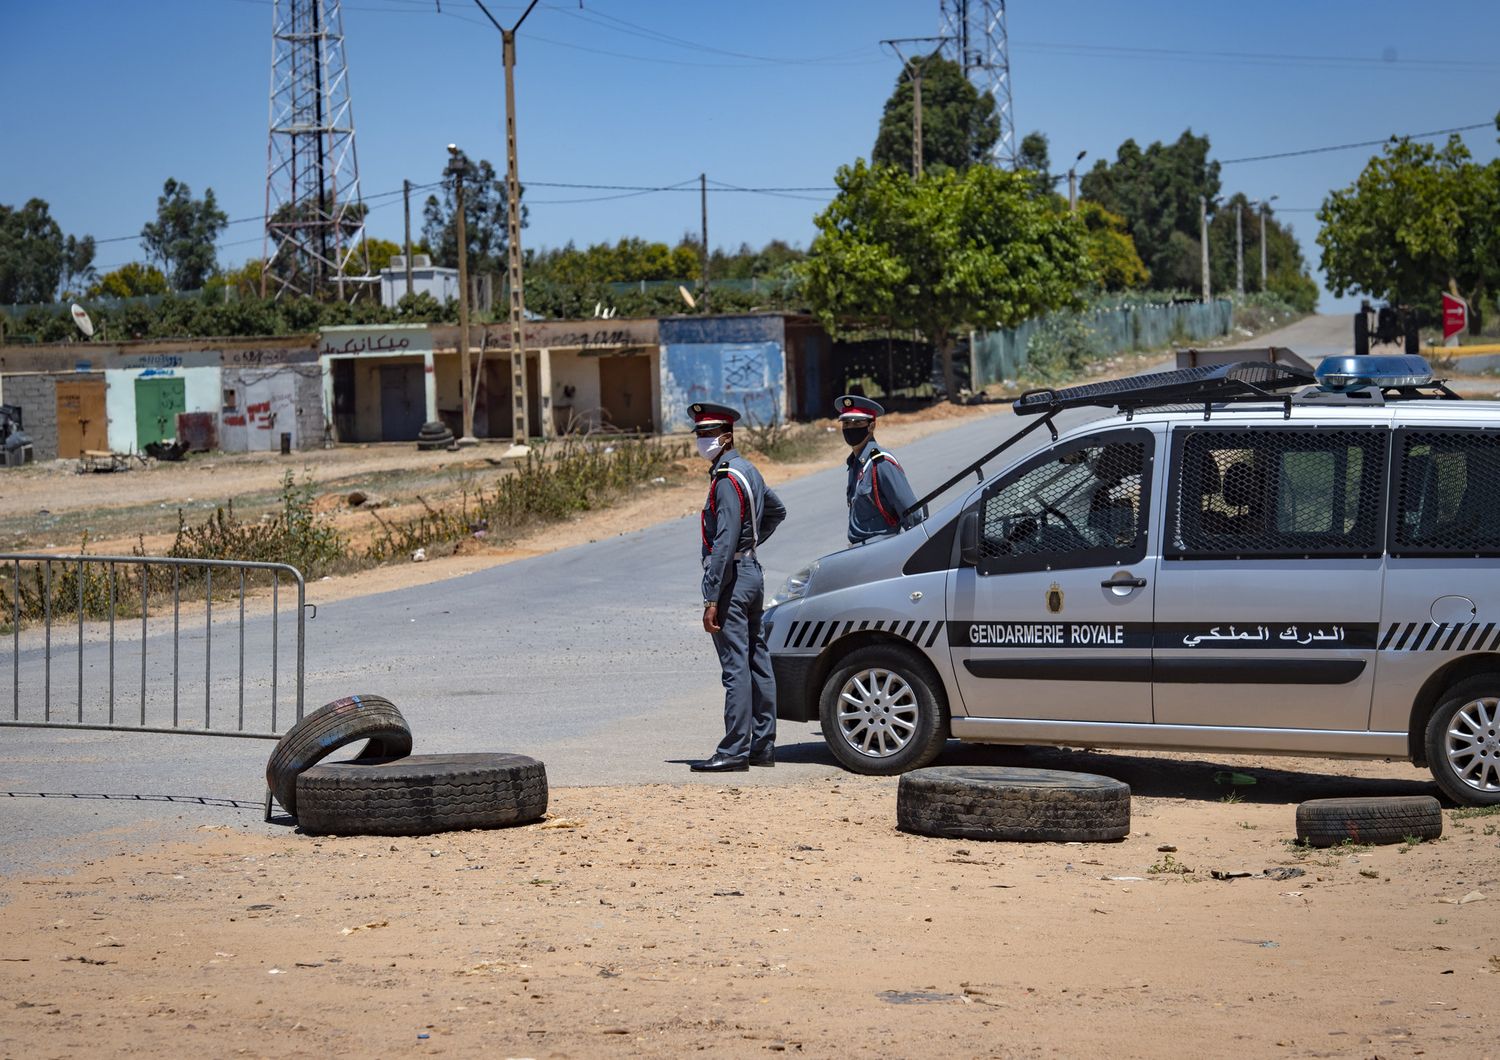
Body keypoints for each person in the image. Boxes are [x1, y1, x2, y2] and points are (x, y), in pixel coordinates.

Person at [691, 402, 787, 772]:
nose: (702, 441)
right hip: (752, 573)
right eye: (699, 435)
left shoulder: (727, 478)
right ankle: (762, 746)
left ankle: (734, 750)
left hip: (732, 578)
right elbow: (777, 510)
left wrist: (711, 596)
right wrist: (754, 543)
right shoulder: (749, 470)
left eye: (707, 434)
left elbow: (723, 541)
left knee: (736, 667)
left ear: (726, 436)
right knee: (756, 660)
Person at [838, 395, 920, 545]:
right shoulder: (855, 464)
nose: (850, 428)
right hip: (860, 549)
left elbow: (911, 513)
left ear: (871, 426)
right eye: (846, 423)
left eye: (857, 423)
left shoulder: (881, 463)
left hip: (880, 548)